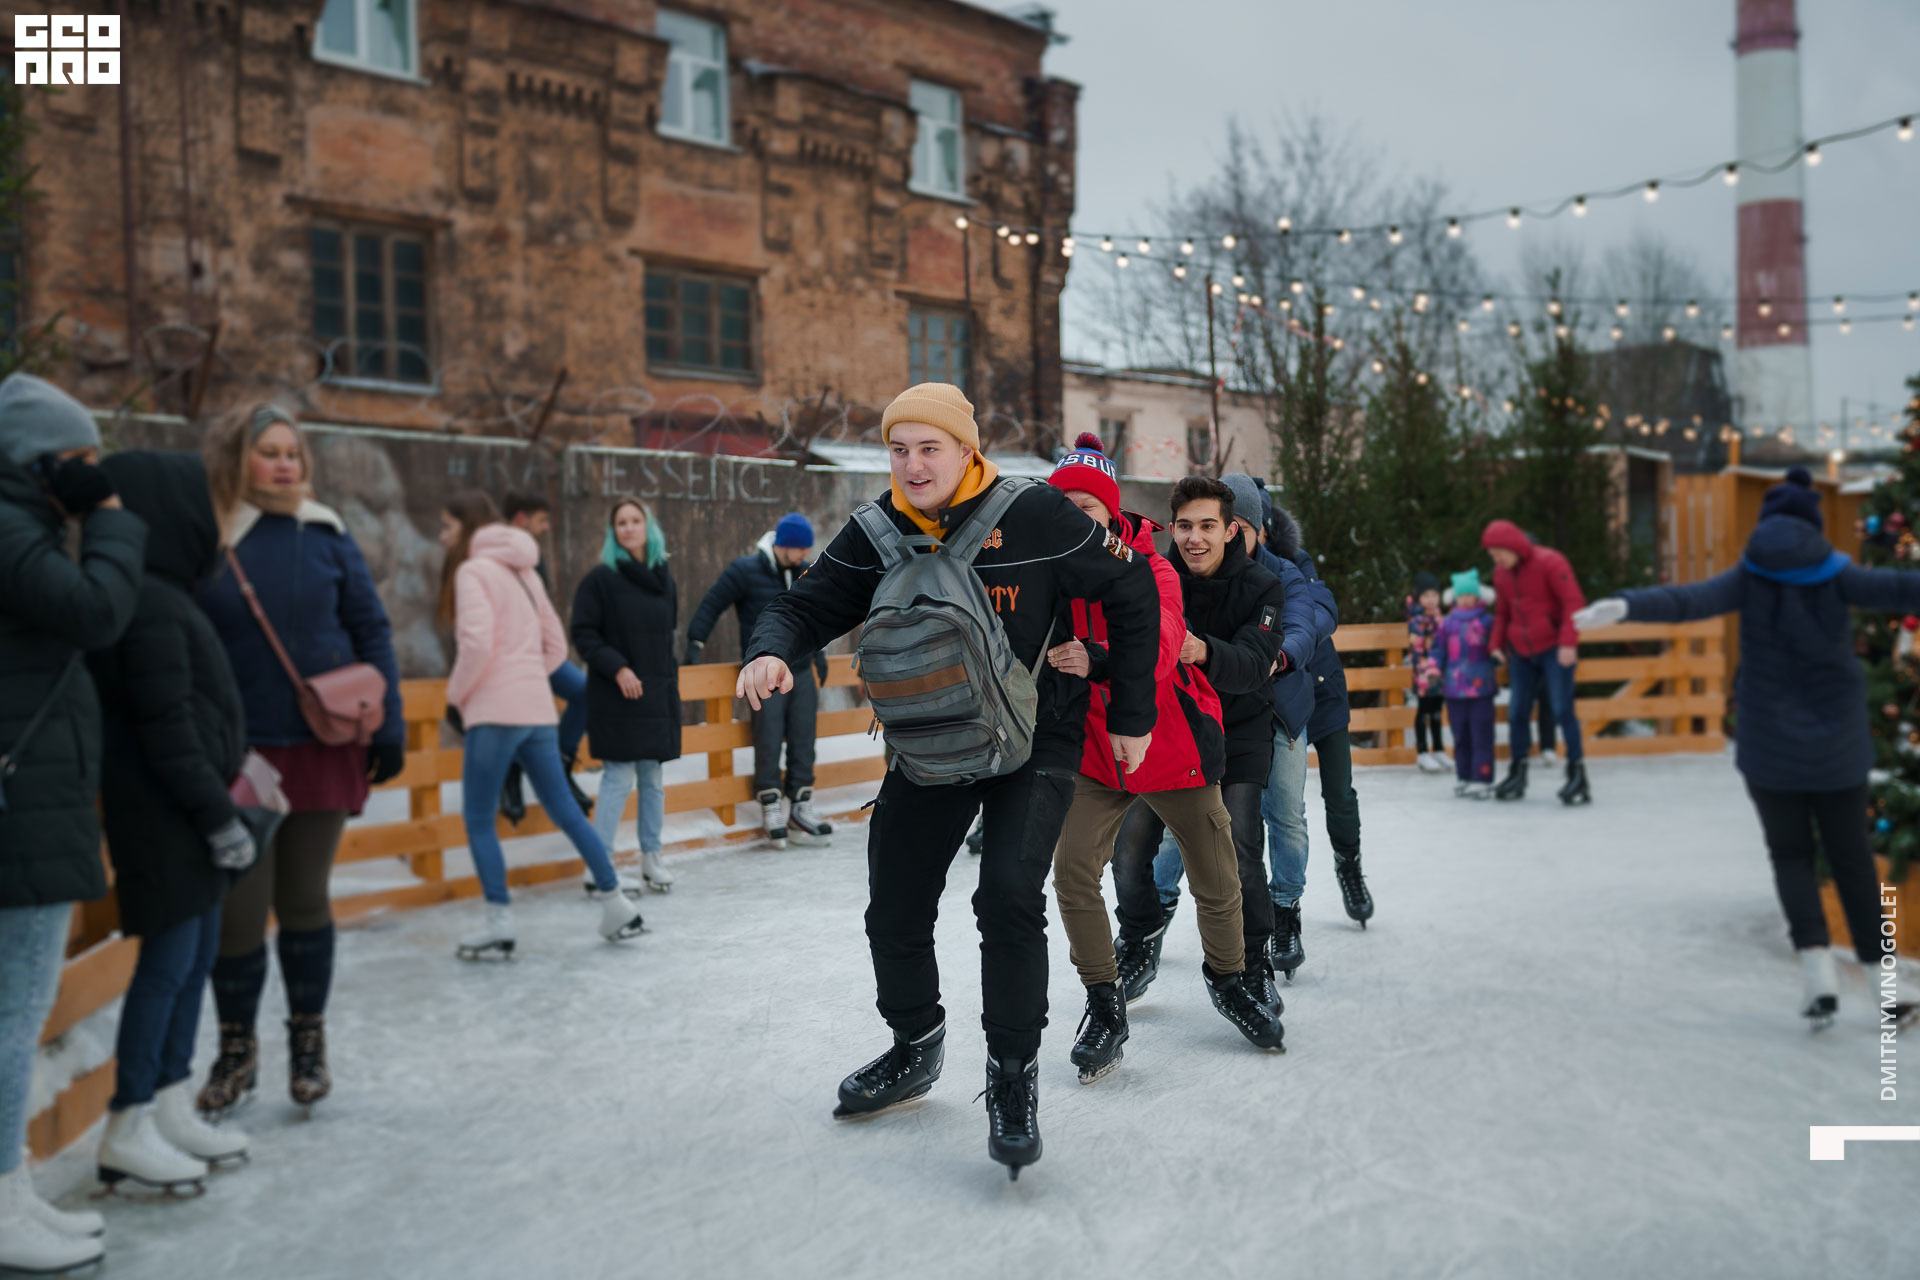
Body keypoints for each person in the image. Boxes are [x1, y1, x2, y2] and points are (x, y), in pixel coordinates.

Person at [736, 383, 1158, 1177]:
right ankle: (915, 1043)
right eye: (900, 449)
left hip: (1036, 740)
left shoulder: (1036, 516)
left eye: (930, 448)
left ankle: (1011, 1076)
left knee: (1005, 895)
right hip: (932, 746)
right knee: (893, 899)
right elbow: (807, 605)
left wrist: (1132, 715)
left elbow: (1131, 588)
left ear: (967, 450)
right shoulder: (878, 529)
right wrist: (768, 649)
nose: (913, 464)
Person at [1575, 468, 1920, 1027]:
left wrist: (1624, 605)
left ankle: (1817, 979)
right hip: (1836, 746)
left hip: (1769, 745)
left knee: (1791, 857)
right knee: (1853, 857)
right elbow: (1901, 587)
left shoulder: (1748, 576)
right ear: (1812, 525)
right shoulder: (1838, 575)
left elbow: (1686, 600)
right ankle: (1886, 993)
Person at [1042, 439, 1282, 1084]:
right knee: (1073, 873)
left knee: (1217, 874)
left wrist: (1096, 656)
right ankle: (1103, 999)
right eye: (1063, 506)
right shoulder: (1048, 567)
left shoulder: (1153, 567)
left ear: (1111, 510)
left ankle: (1231, 979)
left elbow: (1162, 640)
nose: (1076, 517)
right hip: (1095, 750)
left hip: (1169, 741)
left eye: (1088, 505)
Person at [195, 406, 406, 1118]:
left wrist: (390, 726)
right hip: (240, 753)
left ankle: (307, 1044)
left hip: (323, 743)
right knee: (240, 910)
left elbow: (371, 630)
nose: (285, 464)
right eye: (269, 452)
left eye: (293, 453)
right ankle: (235, 1050)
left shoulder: (326, 533)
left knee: (306, 899)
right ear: (238, 460)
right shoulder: (214, 536)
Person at [0, 373, 142, 1274]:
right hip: (21, 808)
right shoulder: (11, 531)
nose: (92, 473)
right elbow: (99, 611)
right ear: (37, 459)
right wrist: (117, 512)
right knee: (13, 1016)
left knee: (18, 1010)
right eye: (81, 459)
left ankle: (11, 1187)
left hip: (34, 802)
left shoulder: (28, 526)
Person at [90, 451, 253, 1193]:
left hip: (187, 817)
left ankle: (166, 1099)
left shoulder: (165, 594)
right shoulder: (148, 604)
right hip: (165, 821)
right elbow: (168, 728)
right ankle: (129, 1120)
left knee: (194, 958)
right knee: (167, 965)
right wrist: (218, 815)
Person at [1110, 475, 1287, 1012]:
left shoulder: (1263, 588)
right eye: (1185, 526)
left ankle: (1252, 963)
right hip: (1170, 732)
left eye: (1208, 526)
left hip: (1238, 733)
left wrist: (1199, 649)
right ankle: (1140, 940)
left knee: (1240, 850)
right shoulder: (1149, 579)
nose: (1195, 538)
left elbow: (1254, 667)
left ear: (1231, 529)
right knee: (1129, 847)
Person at [440, 495, 646, 956]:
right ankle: (615, 902)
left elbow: (474, 644)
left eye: (446, 526)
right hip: (536, 710)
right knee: (566, 810)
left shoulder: (472, 571)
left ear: (468, 528)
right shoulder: (525, 572)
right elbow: (555, 647)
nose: (442, 536)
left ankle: (498, 920)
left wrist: (456, 696)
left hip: (494, 711)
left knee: (477, 817)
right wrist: (529, 674)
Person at [1148, 475, 1324, 981]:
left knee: (1278, 819)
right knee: (1166, 836)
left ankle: (1281, 916)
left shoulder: (1280, 575)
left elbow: (1307, 618)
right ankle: (1150, 923)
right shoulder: (1171, 571)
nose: (1207, 537)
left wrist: (1280, 654)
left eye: (1227, 525)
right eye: (1190, 525)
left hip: (1273, 710)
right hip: (1194, 720)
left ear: (1246, 528)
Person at [686, 512, 830, 849]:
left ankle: (800, 807)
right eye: (799, 549)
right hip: (765, 673)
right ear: (783, 545)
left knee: (803, 737)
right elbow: (711, 604)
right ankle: (770, 806)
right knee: (767, 737)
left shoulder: (804, 571)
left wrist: (820, 654)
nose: (803, 555)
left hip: (802, 668)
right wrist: (695, 642)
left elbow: (818, 616)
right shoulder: (745, 571)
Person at [1269, 501, 1376, 929]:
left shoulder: (1294, 562)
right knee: (1277, 807)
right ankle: (1275, 903)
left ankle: (1349, 865)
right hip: (1276, 701)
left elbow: (1319, 610)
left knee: (1339, 793)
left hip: (1321, 691)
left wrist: (1289, 634)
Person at [571, 497, 682, 894]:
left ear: (647, 527)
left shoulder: (663, 576)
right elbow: (584, 633)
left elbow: (666, 637)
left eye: (635, 521)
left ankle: (652, 859)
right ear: (613, 532)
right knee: (617, 777)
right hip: (617, 693)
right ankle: (598, 865)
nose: (628, 528)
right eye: (621, 522)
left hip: (656, 693)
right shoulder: (600, 580)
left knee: (652, 779)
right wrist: (617, 667)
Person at [1482, 519, 1589, 804]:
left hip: (1554, 648)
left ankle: (1577, 773)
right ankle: (1518, 772)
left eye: (1499, 553)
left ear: (1513, 546)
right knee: (1517, 711)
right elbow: (1503, 614)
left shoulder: (1550, 562)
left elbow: (1573, 602)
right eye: (1493, 556)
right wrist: (1496, 645)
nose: (1497, 560)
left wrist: (1568, 642)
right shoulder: (1502, 574)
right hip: (1522, 652)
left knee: (1562, 708)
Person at [501, 491, 593, 822]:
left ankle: (562, 763)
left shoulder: (532, 556)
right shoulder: (496, 556)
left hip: (541, 655)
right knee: (519, 710)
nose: (544, 528)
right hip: (509, 660)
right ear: (521, 519)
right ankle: (509, 776)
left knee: (585, 690)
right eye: (541, 520)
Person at [1435, 570, 1497, 799]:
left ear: (1478, 596)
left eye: (1471, 594)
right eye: (1462, 595)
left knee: (1481, 733)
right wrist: (1433, 667)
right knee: (1460, 733)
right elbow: (1438, 649)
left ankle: (1482, 777)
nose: (1466, 599)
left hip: (1481, 687)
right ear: (1455, 597)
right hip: (1453, 688)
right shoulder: (1447, 623)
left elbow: (1497, 644)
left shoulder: (1486, 621)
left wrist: (1499, 653)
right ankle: (1465, 776)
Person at [1408, 571, 1448, 773]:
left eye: (1434, 595)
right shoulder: (1417, 620)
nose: (1431, 600)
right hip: (1424, 671)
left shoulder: (1439, 617)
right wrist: (1425, 666)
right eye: (1426, 596)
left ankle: (1439, 748)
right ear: (1418, 597)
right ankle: (1423, 752)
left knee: (1437, 711)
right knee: (1424, 710)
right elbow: (1416, 648)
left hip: (1440, 671)